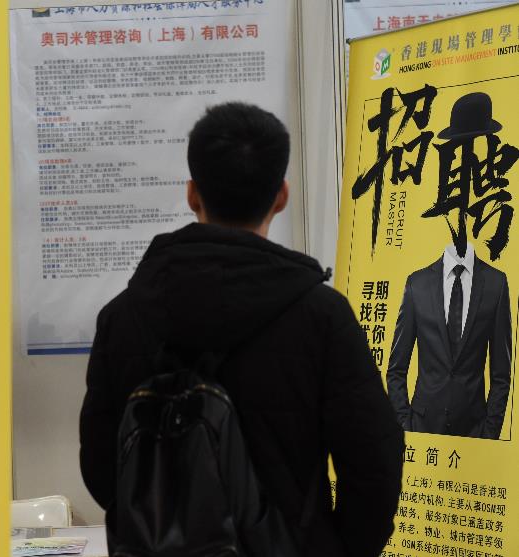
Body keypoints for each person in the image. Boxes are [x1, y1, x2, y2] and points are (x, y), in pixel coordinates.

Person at [79, 102, 404, 557]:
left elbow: (101, 466)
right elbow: (374, 461)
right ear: (281, 196)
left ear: (193, 194)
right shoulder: (322, 316)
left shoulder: (122, 317)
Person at [387, 242, 511, 439]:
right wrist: (405, 424)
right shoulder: (417, 283)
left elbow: (501, 374)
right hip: (421, 427)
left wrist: (489, 432)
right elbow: (396, 370)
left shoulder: (496, 283)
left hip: (474, 431)